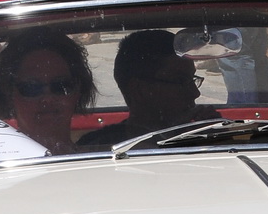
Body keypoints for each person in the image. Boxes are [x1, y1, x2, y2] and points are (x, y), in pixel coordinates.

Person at [78, 30, 219, 145]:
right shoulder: (98, 147)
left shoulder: (207, 137)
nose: (195, 93)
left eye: (192, 80)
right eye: (180, 81)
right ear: (140, 90)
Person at [0, 30, 96, 155]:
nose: (48, 99)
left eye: (61, 86)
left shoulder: (103, 164)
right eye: (32, 88)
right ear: (8, 94)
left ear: (78, 91)